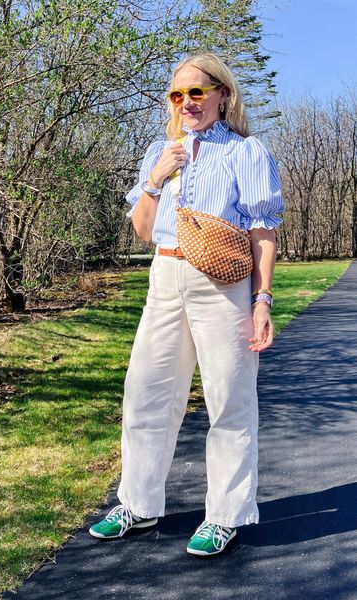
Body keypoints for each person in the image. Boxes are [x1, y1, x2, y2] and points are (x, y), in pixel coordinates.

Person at [89, 52, 284, 556]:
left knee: (230, 400)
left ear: (222, 94)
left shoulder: (246, 152)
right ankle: (137, 504)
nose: (187, 103)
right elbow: (143, 230)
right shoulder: (160, 148)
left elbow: (263, 231)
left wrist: (262, 300)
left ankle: (225, 515)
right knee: (146, 392)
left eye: (197, 92)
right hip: (165, 275)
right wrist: (155, 176)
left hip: (222, 284)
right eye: (178, 95)